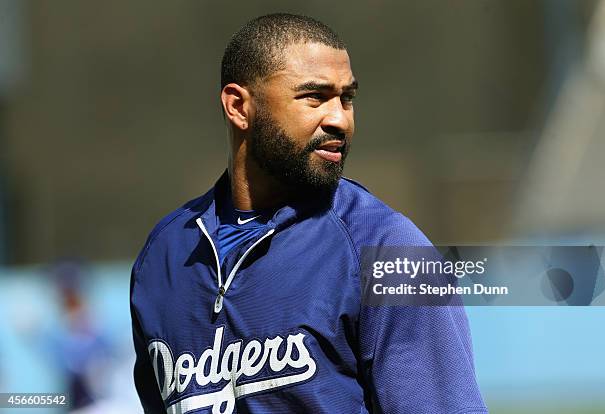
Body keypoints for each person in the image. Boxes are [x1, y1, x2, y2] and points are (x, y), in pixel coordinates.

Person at [130, 13, 488, 414]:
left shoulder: (390, 248)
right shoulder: (163, 255)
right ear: (238, 106)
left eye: (347, 98)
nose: (339, 119)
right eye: (314, 97)